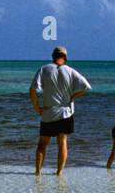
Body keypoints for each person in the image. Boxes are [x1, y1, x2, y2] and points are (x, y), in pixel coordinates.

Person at [29, 46, 91, 176]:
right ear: (65, 57)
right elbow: (86, 87)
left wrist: (36, 106)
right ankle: (59, 172)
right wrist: (73, 97)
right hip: (66, 112)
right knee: (62, 142)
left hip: (48, 113)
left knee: (42, 144)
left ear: (53, 56)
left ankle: (37, 172)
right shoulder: (71, 71)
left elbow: (33, 90)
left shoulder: (44, 69)